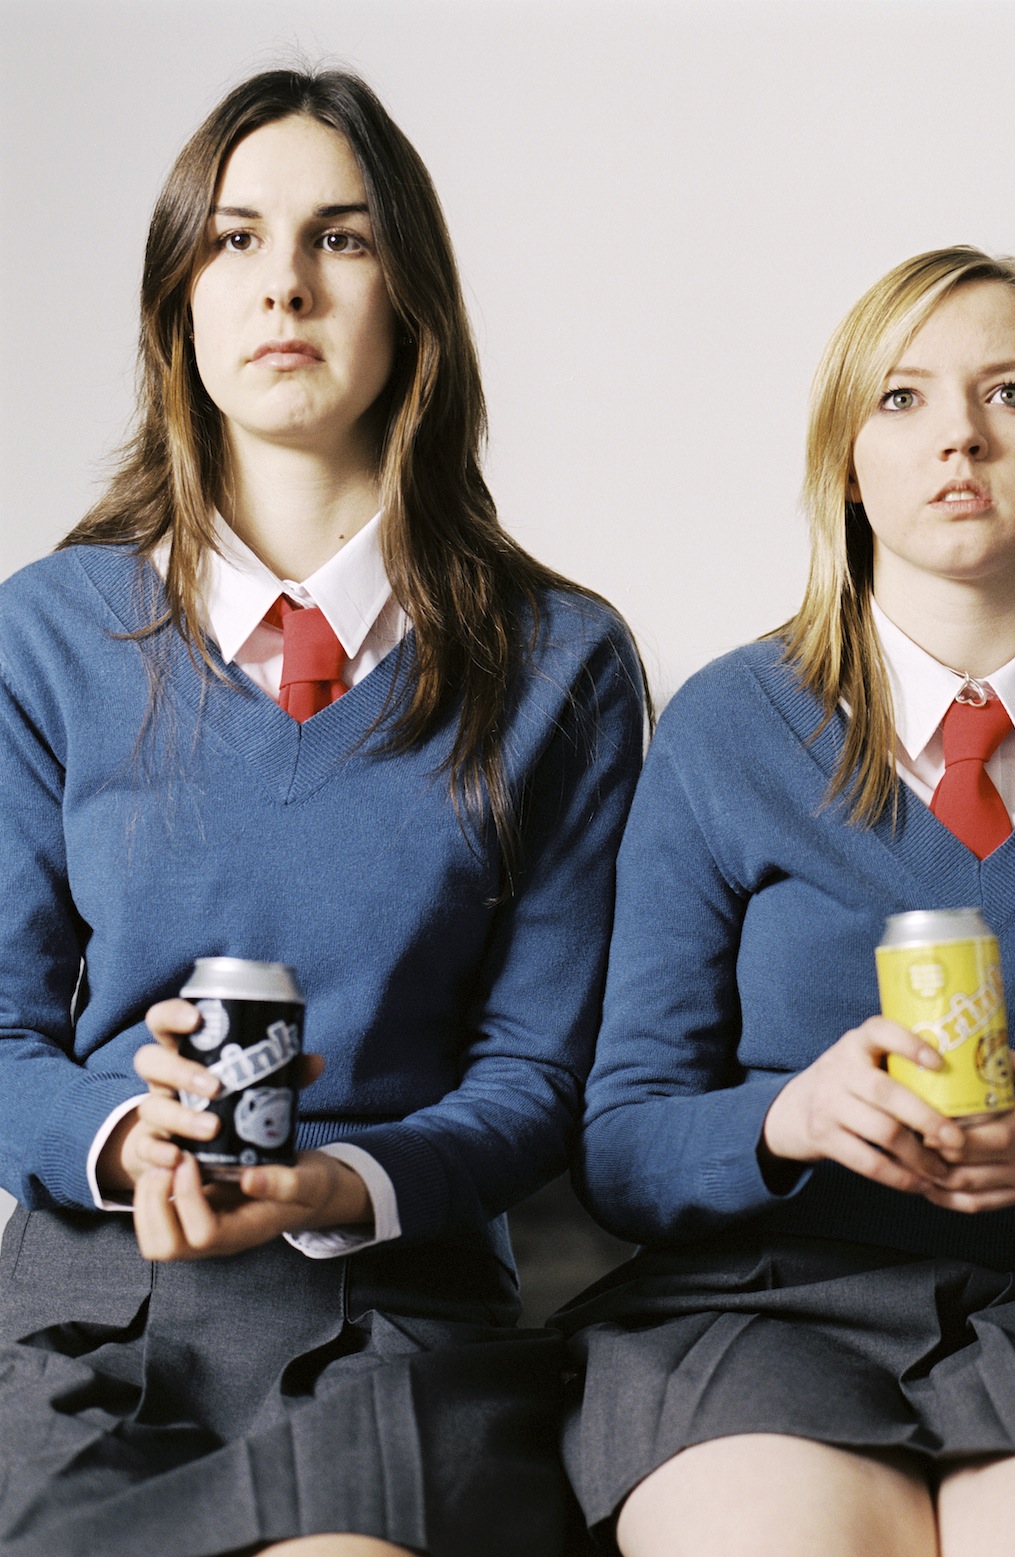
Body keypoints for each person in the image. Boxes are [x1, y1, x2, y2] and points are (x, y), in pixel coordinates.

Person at [0, 69, 648, 1557]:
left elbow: (540, 1073)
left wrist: (345, 1180)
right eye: (231, 241)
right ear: (178, 302)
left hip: (400, 1319)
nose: (281, 282)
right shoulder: (46, 635)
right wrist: (126, 1142)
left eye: (339, 240)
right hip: (97, 1318)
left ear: (410, 298)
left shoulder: (563, 664)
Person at [561, 248, 1015, 1557]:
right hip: (755, 1314)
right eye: (903, 399)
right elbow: (624, 1145)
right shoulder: (725, 729)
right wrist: (789, 1116)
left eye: (1011, 395)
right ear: (844, 458)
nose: (959, 435)